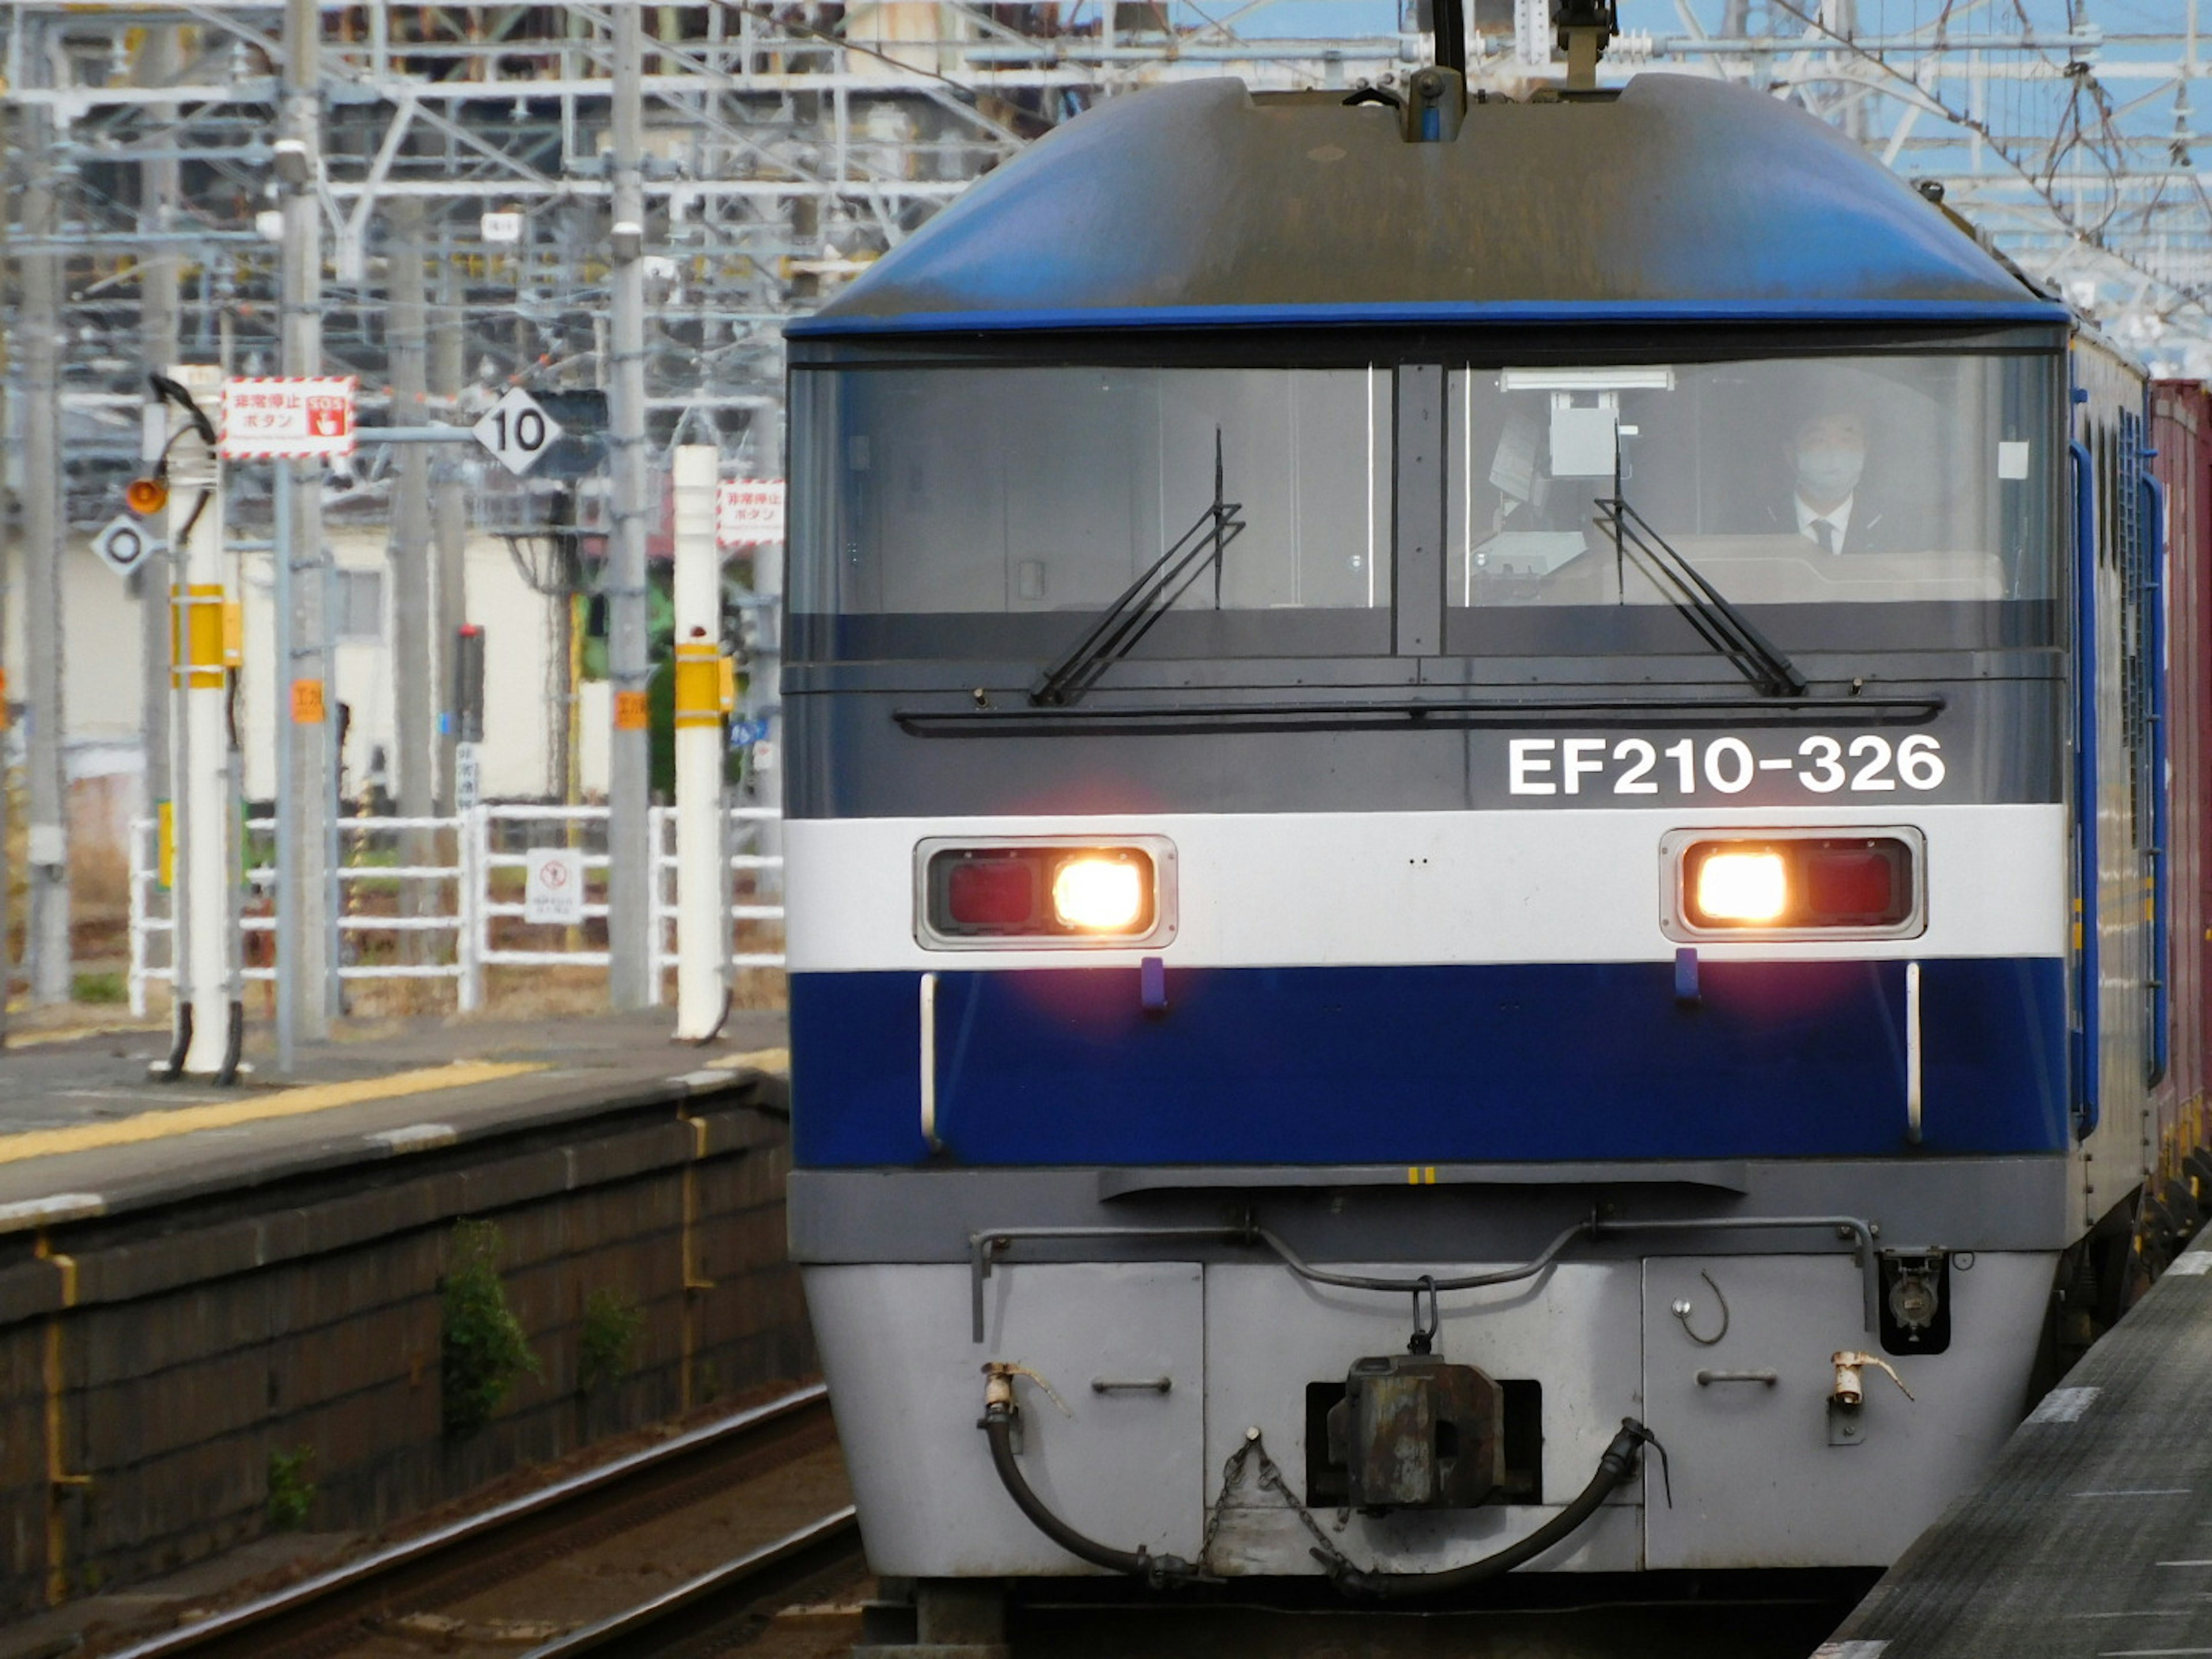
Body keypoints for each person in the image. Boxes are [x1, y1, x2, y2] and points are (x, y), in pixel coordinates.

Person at [1770, 408, 1898, 555]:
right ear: (1791, 453)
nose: (1834, 454)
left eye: (1846, 440)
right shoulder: (1754, 524)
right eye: (1818, 440)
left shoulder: (1900, 526)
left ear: (1865, 449)